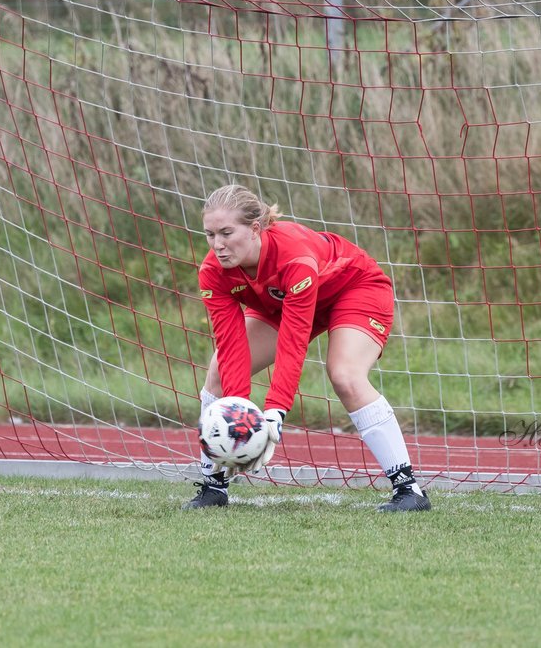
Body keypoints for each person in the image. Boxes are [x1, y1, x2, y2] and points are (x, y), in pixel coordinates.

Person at [185, 183, 431, 512]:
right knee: (218, 372)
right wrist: (240, 424)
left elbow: (294, 340)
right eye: (210, 235)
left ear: (255, 228)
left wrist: (273, 414)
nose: (218, 245)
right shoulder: (213, 272)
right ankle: (213, 488)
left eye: (227, 233)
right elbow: (231, 348)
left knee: (345, 375)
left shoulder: (293, 257)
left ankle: (409, 491)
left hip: (353, 289)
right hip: (280, 303)